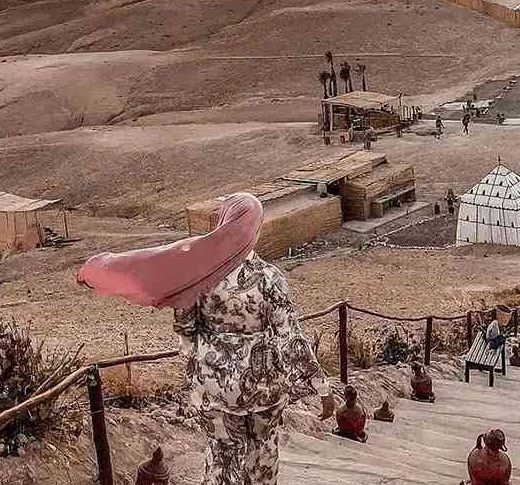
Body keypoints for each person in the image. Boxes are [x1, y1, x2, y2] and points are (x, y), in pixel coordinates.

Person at [78, 193, 334, 485]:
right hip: (264, 389)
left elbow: (185, 327)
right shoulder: (269, 278)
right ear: (255, 228)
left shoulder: (199, 275)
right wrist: (321, 387)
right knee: (262, 453)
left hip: (213, 385)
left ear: (224, 223)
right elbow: (291, 339)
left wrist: (198, 365)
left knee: (222, 456)